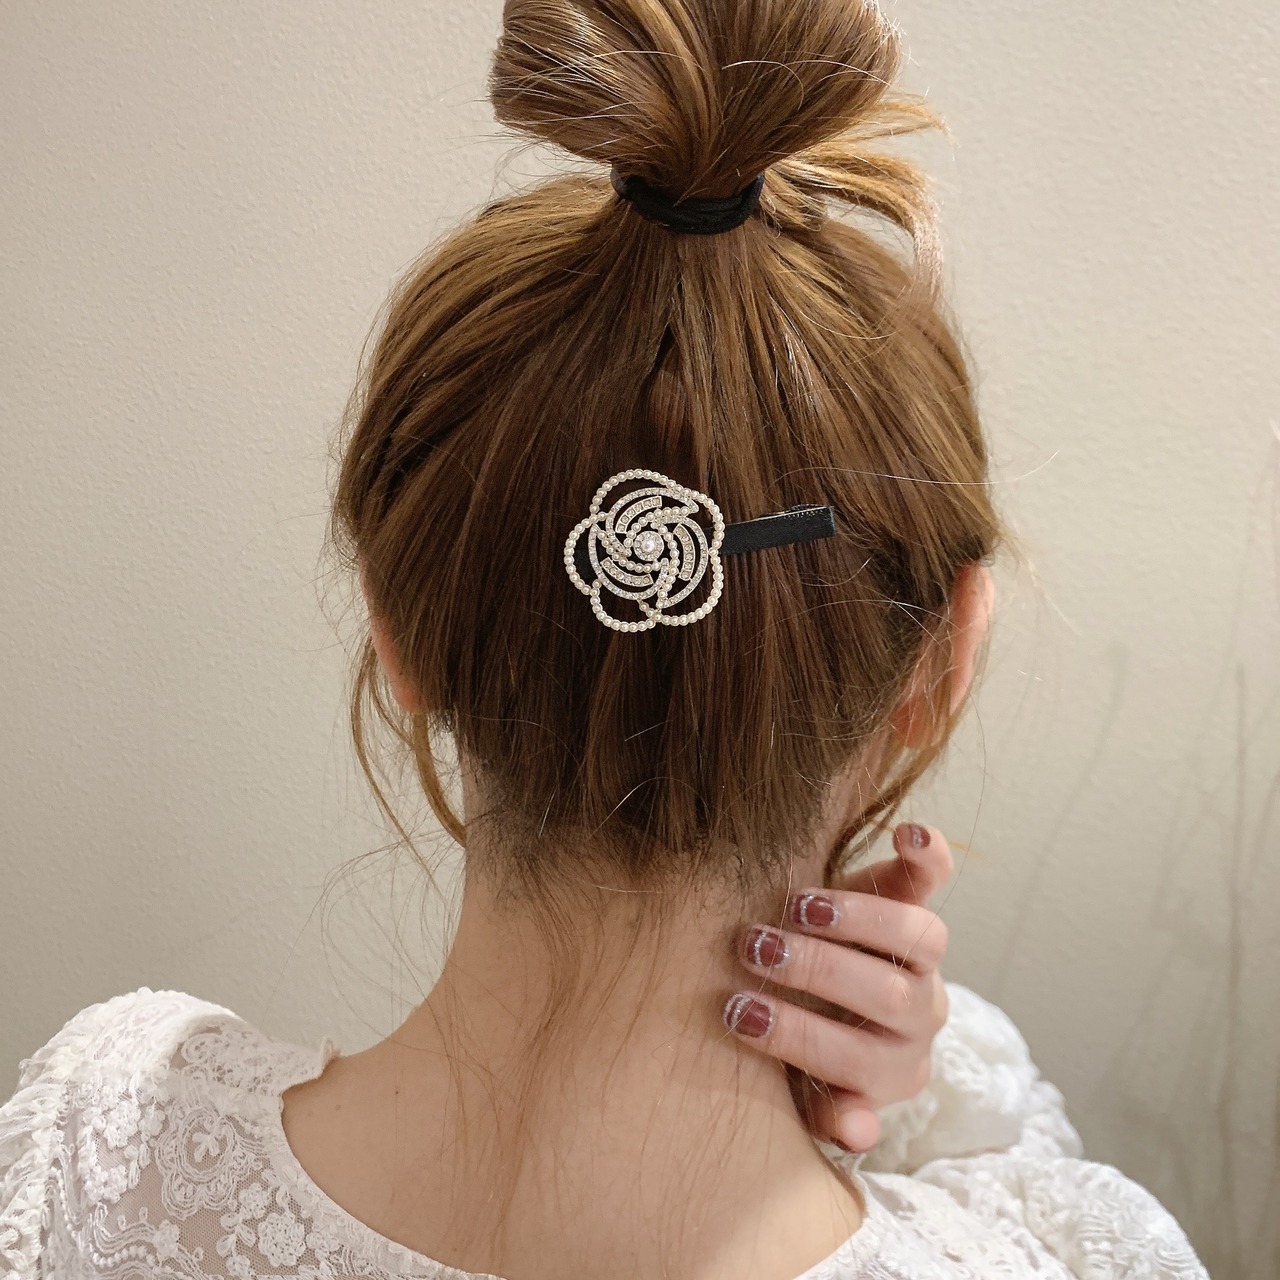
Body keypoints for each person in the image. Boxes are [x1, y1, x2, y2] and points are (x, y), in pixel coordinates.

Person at [0, 0, 1209, 1277]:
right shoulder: (1065, 1252)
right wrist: (922, 1079)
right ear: (945, 661)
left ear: (397, 629)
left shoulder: (100, 1160)